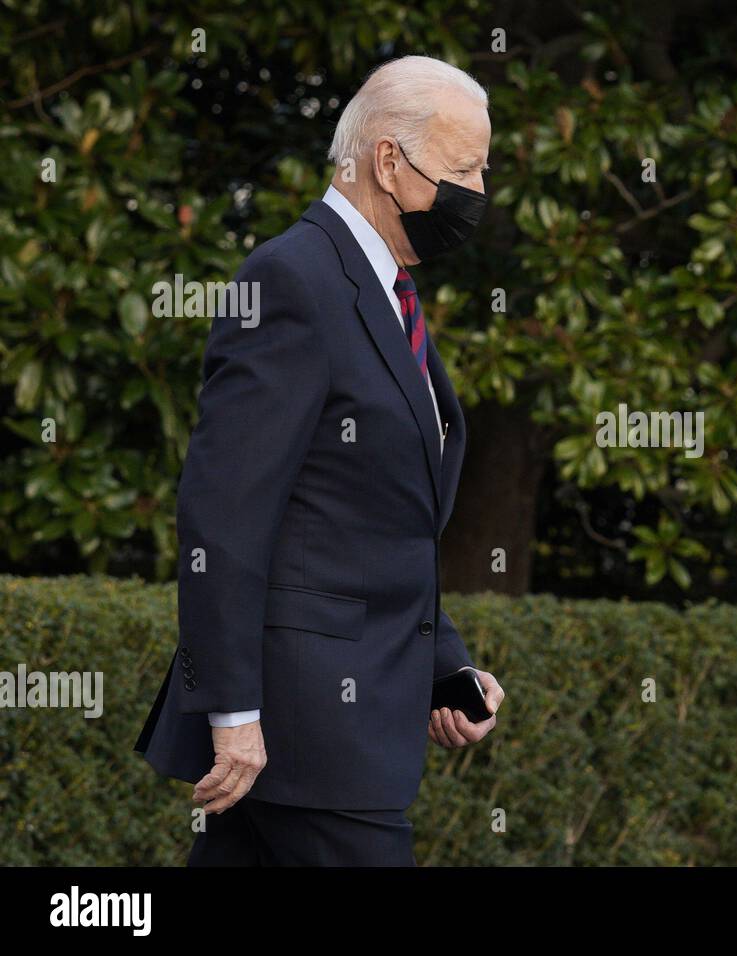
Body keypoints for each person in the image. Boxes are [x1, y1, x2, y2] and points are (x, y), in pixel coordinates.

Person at [135, 56, 505, 866]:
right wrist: (231, 713)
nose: (479, 191)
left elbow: (365, 524)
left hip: (334, 730)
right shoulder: (292, 279)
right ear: (386, 161)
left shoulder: (382, 291)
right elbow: (225, 512)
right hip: (307, 733)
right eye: (465, 169)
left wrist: (447, 668)